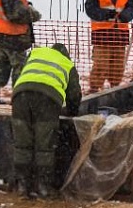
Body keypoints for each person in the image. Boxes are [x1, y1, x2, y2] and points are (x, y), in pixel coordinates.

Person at [12, 43, 81, 199]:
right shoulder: (67, 64)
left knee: (22, 143)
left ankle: (23, 185)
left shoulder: (35, 54)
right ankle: (43, 186)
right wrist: (72, 112)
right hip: (47, 100)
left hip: (20, 96)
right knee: (44, 145)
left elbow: (18, 73)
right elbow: (74, 95)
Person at [84, 0, 133, 93]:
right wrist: (104, 14)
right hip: (102, 34)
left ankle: (115, 88)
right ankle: (94, 89)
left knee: (117, 65)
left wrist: (125, 16)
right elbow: (90, 8)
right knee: (101, 64)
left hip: (120, 34)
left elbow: (132, 7)